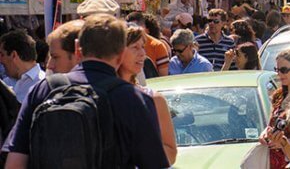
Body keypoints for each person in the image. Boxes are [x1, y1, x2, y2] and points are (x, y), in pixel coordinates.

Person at [3, 14, 169, 168]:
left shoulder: (42, 90)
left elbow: (15, 162)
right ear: (121, 55)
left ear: (77, 49)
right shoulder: (134, 99)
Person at [117, 26, 177, 165]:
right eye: (135, 47)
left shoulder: (153, 99)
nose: (143, 53)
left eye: (142, 47)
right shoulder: (102, 96)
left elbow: (170, 154)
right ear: (117, 51)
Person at [259, 49, 290, 169]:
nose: (279, 74)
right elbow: (271, 123)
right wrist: (264, 134)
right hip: (273, 160)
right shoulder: (278, 95)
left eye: (284, 70)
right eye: (277, 70)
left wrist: (282, 142)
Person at [0, 30, 44, 103]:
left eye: (2, 55)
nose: (0, 60)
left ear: (14, 55)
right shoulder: (5, 84)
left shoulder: (42, 86)